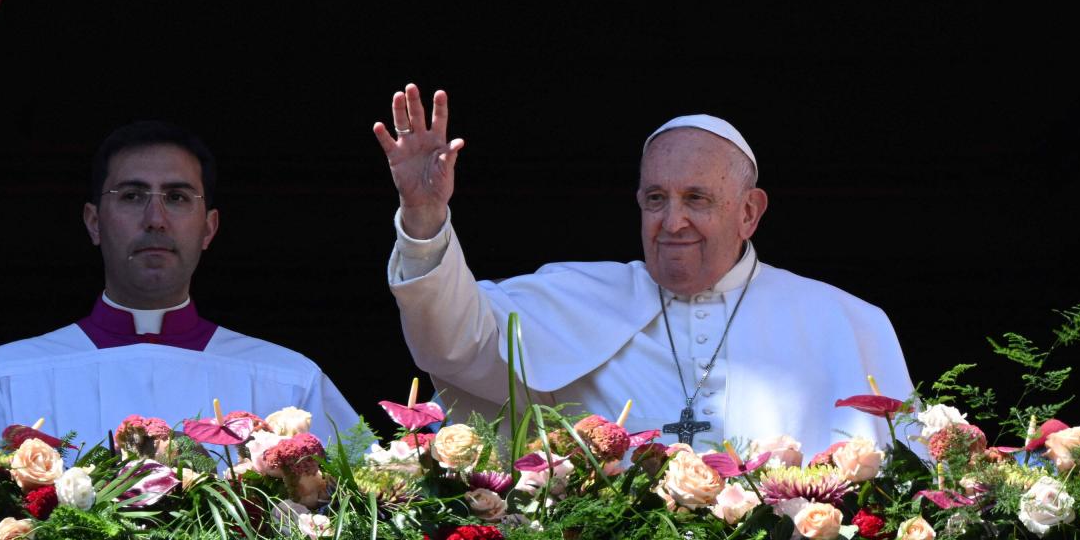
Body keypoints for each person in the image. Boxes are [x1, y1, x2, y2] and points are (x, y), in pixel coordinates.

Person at [375, 84, 912, 455]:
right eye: (656, 198)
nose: (672, 221)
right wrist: (425, 218)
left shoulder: (843, 321)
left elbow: (908, 490)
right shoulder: (577, 296)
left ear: (749, 212)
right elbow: (453, 343)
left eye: (697, 198)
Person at [0, 120, 358, 450]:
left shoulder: (288, 381)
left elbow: (380, 505)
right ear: (94, 222)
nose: (156, 218)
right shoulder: (3, 377)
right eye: (131, 195)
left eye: (178, 197)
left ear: (209, 228)